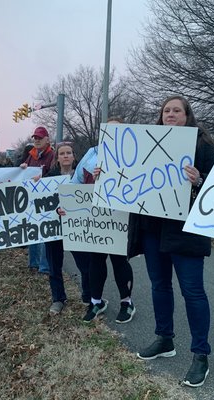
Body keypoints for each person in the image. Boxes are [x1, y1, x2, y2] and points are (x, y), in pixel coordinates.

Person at [128, 96, 214, 387]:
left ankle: (200, 354)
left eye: (176, 110)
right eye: (166, 110)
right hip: (153, 227)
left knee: (193, 292)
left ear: (187, 115)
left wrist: (199, 180)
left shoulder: (204, 146)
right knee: (159, 285)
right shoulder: (147, 142)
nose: (170, 114)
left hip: (186, 231)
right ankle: (164, 338)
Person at [73, 117, 136, 324]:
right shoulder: (92, 153)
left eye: (118, 130)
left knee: (119, 261)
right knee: (96, 261)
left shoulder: (132, 153)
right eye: (109, 130)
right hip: (96, 217)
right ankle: (96, 301)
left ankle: (127, 302)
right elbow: (76, 183)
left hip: (120, 216)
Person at [44, 142, 91, 314]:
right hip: (54, 228)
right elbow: (42, 200)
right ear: (57, 158)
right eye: (62, 153)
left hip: (77, 228)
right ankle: (58, 299)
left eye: (69, 153)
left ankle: (88, 296)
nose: (65, 156)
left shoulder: (84, 176)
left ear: (73, 156)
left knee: (85, 264)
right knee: (54, 265)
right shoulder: (49, 177)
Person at [20, 127, 55, 273]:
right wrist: (22, 168)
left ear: (47, 139)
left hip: (46, 200)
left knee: (44, 233)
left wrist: (43, 178)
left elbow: (54, 174)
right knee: (32, 231)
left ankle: (44, 266)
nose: (37, 140)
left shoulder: (52, 155)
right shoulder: (31, 155)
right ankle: (33, 263)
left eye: (40, 138)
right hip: (31, 199)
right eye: (35, 138)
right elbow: (23, 174)